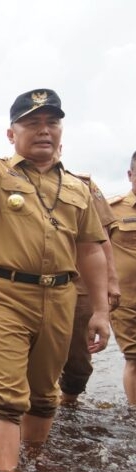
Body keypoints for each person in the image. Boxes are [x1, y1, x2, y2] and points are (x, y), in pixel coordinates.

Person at [0, 45, 110, 472]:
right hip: (5, 294)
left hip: (59, 298)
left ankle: (33, 459)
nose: (43, 129)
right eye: (31, 122)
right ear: (11, 133)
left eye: (51, 122)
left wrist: (101, 311)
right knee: (4, 393)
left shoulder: (79, 187)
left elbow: (91, 249)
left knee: (44, 393)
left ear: (61, 131)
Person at [59, 175, 120, 405]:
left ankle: (69, 401)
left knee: (79, 359)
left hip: (79, 283)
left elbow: (102, 237)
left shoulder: (82, 185)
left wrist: (111, 281)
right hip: (33, 284)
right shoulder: (10, 176)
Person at [107, 150, 136, 405]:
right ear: (130, 175)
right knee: (135, 357)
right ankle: (133, 414)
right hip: (126, 301)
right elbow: (93, 249)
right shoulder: (112, 210)